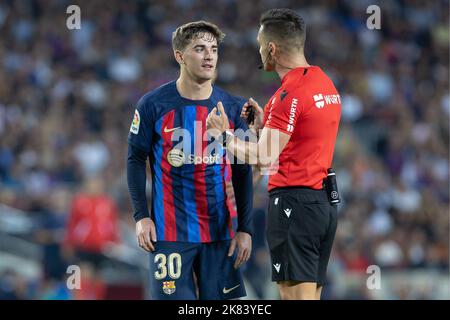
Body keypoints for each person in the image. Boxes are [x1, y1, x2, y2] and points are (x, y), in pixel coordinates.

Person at [206, 8, 341, 300]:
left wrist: (224, 136)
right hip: (322, 205)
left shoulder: (288, 95)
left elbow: (265, 157)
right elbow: (300, 142)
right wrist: (264, 127)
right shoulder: (324, 84)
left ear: (271, 48)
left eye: (258, 45)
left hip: (295, 205)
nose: (257, 51)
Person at [126, 21, 253, 300]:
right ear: (179, 56)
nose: (209, 56)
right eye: (199, 49)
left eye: (214, 49)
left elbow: (243, 171)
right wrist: (141, 216)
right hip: (170, 234)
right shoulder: (152, 104)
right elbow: (135, 159)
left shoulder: (233, 108)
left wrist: (245, 228)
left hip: (220, 235)